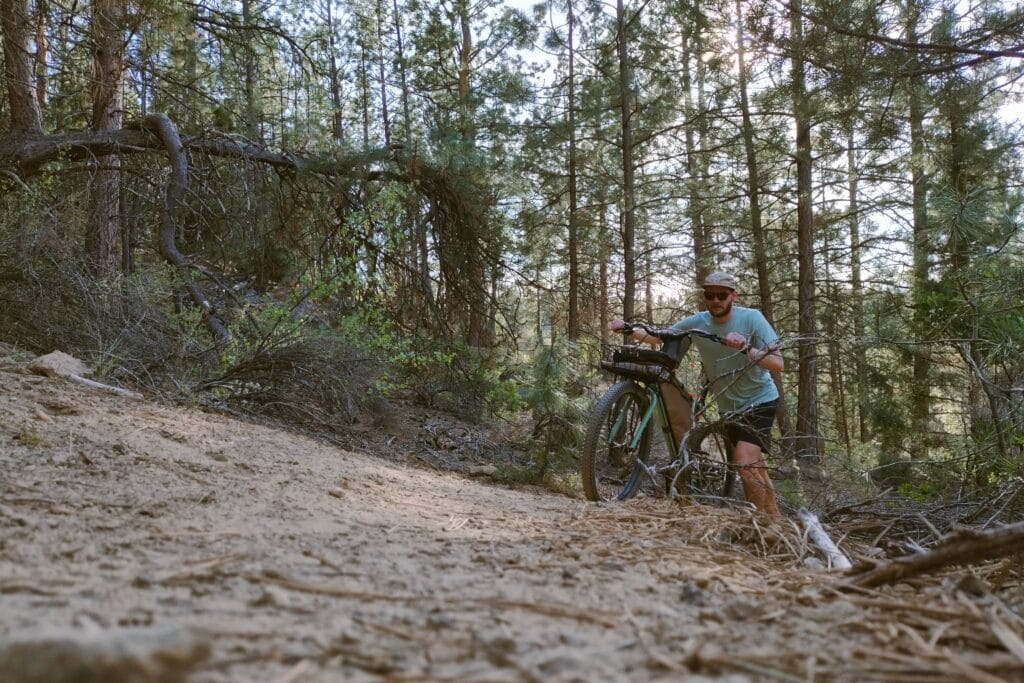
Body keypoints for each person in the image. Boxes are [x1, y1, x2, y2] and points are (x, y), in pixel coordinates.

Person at [611, 271, 783, 517]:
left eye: (721, 295)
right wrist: (627, 329)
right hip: (728, 405)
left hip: (760, 399)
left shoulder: (752, 319)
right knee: (755, 466)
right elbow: (660, 336)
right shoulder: (697, 322)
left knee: (745, 464)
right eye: (709, 295)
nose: (715, 300)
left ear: (733, 296)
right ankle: (773, 517)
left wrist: (746, 348)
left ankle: (758, 523)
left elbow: (778, 363)